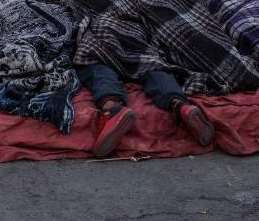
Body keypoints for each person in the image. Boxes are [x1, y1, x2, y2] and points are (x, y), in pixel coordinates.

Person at [78, 63, 214, 157]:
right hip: (139, 55)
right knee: (157, 72)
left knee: (100, 71)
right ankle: (180, 107)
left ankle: (112, 109)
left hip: (104, 52)